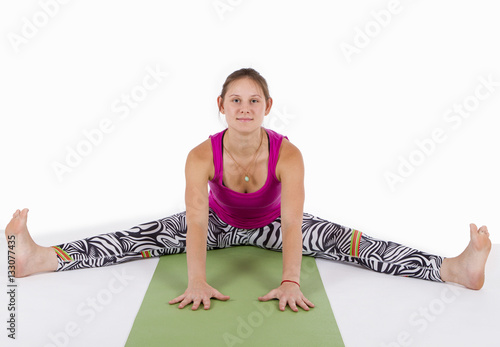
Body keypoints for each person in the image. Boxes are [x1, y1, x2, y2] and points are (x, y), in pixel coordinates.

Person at [5, 68, 492, 313]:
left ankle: (456, 269)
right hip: (217, 225)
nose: (244, 107)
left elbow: (296, 222)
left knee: (357, 245)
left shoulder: (288, 154)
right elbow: (195, 221)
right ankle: (38, 258)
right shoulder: (201, 155)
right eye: (235, 100)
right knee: (133, 237)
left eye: (253, 100)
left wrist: (290, 280)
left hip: (276, 227)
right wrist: (196, 280)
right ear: (220, 105)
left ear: (267, 105)